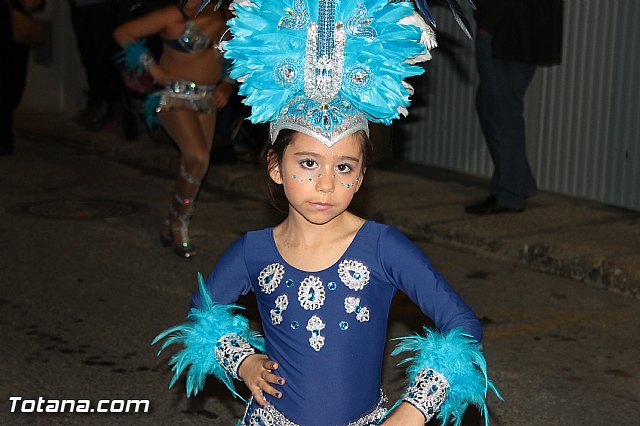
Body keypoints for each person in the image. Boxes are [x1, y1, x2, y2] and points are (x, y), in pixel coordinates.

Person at [153, 1, 501, 425]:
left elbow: (462, 324)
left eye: (343, 167)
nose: (326, 184)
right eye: (307, 163)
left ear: (362, 174)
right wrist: (244, 363)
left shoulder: (382, 247)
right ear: (275, 167)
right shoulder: (254, 251)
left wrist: (411, 412)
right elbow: (203, 313)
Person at [113, 0, 235, 258]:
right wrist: (155, 70)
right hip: (174, 96)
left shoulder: (229, 15)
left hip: (207, 98)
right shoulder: (172, 15)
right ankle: (180, 224)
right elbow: (123, 33)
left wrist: (226, 84)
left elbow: (246, 53)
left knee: (199, 164)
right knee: (197, 156)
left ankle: (172, 221)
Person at [465, 0, 563, 215]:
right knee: (494, 107)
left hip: (506, 35)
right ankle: (517, 182)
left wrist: (487, 23)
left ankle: (511, 193)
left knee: (501, 112)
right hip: (521, 35)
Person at [0, 0, 46, 157]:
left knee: (13, 88)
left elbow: (36, 3)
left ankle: (4, 137)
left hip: (15, 32)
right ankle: (4, 140)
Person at [69, 0, 122, 130]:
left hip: (101, 6)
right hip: (80, 5)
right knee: (88, 56)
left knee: (101, 56)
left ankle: (105, 106)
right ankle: (96, 103)